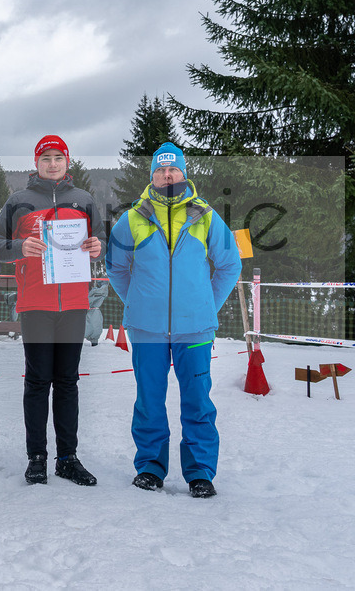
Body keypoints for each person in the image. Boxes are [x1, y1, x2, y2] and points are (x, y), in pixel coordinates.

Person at [106, 142, 241, 498]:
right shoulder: (132, 218)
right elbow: (116, 267)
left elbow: (230, 265)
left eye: (173, 169)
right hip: (146, 328)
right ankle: (150, 467)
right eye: (160, 170)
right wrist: (137, 302)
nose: (167, 175)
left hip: (194, 327)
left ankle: (200, 472)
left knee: (197, 400)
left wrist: (206, 306)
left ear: (183, 173)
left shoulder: (205, 215)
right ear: (152, 175)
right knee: (149, 400)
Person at [0, 135, 103, 487]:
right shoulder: (18, 201)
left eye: (58, 158)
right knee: (38, 381)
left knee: (67, 381)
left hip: (74, 303)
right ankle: (36, 457)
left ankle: (67, 457)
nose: (52, 164)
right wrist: (20, 246)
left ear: (67, 162)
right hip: (35, 303)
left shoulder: (84, 200)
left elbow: (101, 241)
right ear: (36, 162)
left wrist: (97, 247)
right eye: (46, 158)